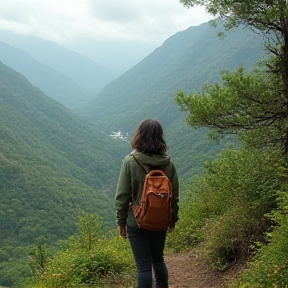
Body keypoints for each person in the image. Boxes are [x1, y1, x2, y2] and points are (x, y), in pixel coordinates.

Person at [115, 118, 179, 288]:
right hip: (160, 220)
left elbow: (122, 196)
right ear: (160, 137)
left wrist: (121, 221)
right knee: (158, 259)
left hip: (136, 221)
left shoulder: (130, 162)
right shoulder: (169, 164)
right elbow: (174, 197)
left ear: (139, 135)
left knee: (143, 267)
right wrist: (172, 219)